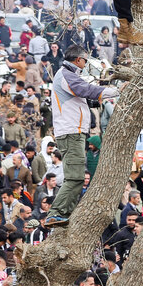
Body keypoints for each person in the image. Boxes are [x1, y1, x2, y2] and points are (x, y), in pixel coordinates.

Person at [43, 47, 118, 228]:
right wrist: (114, 91)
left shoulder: (68, 75)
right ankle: (56, 213)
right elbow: (86, 90)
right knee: (75, 177)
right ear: (78, 60)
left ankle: (63, 213)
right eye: (84, 61)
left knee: (76, 176)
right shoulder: (66, 75)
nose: (85, 65)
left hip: (73, 132)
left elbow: (84, 96)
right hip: (71, 133)